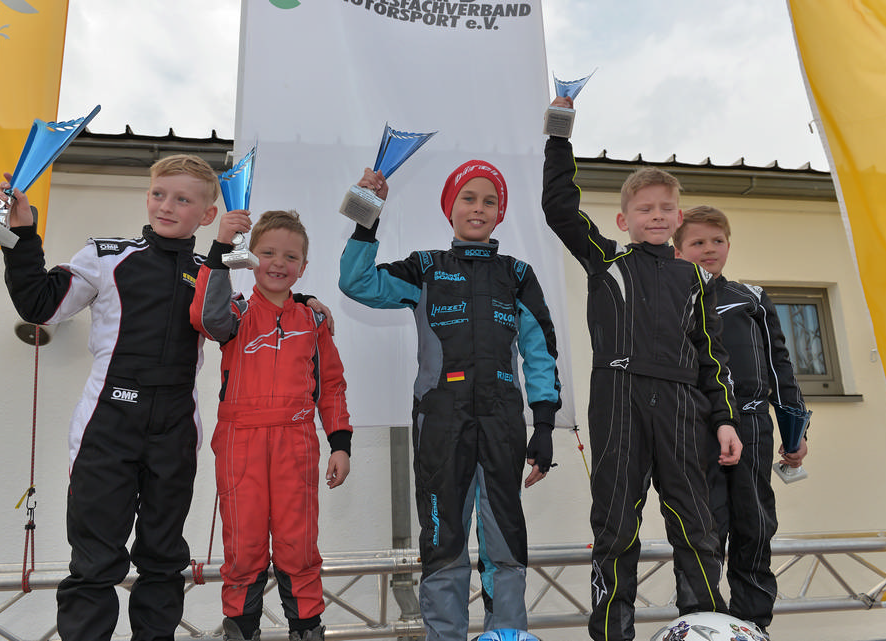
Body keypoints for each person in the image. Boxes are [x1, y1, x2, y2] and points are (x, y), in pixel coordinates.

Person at [0, 155, 326, 641]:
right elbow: (40, 305)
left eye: (183, 199)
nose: (167, 206)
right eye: (158, 195)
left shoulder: (210, 271)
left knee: (163, 559)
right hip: (107, 423)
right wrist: (23, 235)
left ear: (208, 214)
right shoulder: (106, 255)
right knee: (95, 561)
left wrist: (303, 302)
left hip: (174, 429)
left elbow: (251, 312)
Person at [541, 96, 742, 641]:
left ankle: (704, 626)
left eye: (665, 208)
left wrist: (724, 420)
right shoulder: (605, 260)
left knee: (696, 525)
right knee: (615, 526)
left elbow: (713, 358)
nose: (655, 216)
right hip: (618, 398)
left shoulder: (696, 280)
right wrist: (559, 134)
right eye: (645, 209)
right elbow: (559, 208)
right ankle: (612, 633)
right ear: (623, 219)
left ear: (679, 218)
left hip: (682, 408)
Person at [338, 160, 562, 641]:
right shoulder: (425, 268)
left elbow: (540, 350)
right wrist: (366, 218)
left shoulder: (518, 275)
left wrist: (544, 424)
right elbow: (358, 284)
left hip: (502, 422)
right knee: (444, 542)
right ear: (450, 207)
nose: (478, 208)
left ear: (500, 213)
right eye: (468, 198)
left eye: (489, 201)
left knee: (505, 542)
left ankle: (507, 636)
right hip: (441, 421)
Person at [190, 209, 352, 641]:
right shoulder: (235, 312)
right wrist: (220, 249)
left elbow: (331, 386)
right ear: (250, 258)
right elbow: (204, 317)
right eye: (268, 253)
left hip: (295, 442)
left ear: (304, 265)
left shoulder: (314, 320)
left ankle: (307, 629)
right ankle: (241, 630)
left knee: (298, 546)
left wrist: (340, 443)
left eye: (290, 256)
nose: (279, 263)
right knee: (243, 548)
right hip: (240, 443)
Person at [674, 205, 809, 637]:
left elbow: (780, 365)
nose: (709, 249)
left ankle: (753, 624)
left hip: (752, 424)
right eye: (697, 242)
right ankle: (699, 620)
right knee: (703, 527)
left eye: (717, 240)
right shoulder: (670, 299)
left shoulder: (751, 297)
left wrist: (795, 430)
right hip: (696, 428)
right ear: (678, 250)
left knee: (755, 524)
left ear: (729, 245)